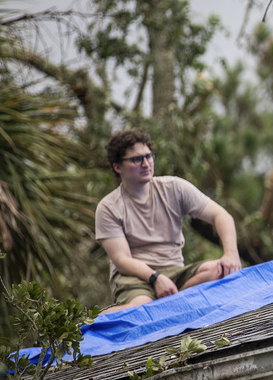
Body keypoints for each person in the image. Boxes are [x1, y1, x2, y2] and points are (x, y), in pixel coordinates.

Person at [95, 129, 242, 313]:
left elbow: (221, 216)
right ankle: (92, 322)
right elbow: (122, 260)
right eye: (136, 159)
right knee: (141, 310)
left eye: (149, 156)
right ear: (118, 167)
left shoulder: (174, 187)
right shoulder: (108, 207)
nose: (146, 163)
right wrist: (155, 278)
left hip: (175, 271)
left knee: (221, 271)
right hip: (135, 278)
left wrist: (231, 254)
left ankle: (172, 304)